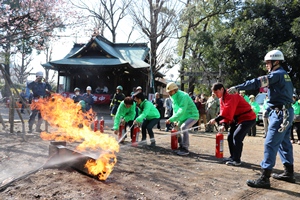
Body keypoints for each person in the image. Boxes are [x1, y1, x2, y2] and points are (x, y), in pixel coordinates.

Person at [227, 50, 295, 188]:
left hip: (280, 114)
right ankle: (289, 172)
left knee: (270, 143)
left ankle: (265, 178)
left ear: (276, 62)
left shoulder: (276, 75)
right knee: (284, 143)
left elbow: (257, 82)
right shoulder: (285, 75)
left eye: (268, 63)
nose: (266, 66)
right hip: (286, 112)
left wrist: (238, 87)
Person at [208, 83, 256, 166]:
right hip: (238, 119)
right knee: (230, 136)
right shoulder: (221, 98)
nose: (215, 94)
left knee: (237, 136)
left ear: (222, 89)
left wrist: (216, 119)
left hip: (248, 118)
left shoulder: (231, 94)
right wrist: (223, 124)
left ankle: (237, 160)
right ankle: (233, 157)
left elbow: (228, 111)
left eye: (216, 92)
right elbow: (223, 111)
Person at [165, 82, 199, 156]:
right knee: (176, 129)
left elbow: (181, 110)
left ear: (175, 90)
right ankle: (181, 145)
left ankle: (185, 148)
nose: (169, 93)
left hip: (192, 115)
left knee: (184, 127)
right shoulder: (172, 97)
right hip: (183, 117)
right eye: (168, 92)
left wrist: (171, 119)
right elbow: (175, 109)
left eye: (171, 91)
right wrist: (175, 120)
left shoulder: (183, 96)